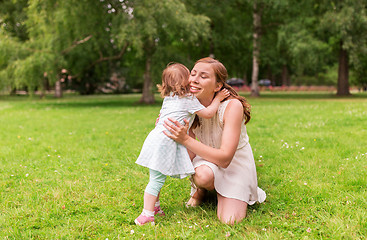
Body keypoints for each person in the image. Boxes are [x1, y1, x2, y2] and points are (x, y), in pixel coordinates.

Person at [163, 57, 266, 225]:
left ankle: (225, 191)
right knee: (203, 176)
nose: (194, 79)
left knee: (230, 220)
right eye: (193, 73)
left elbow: (225, 159)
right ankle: (200, 190)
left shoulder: (232, 106)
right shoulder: (187, 106)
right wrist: (167, 133)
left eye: (203, 76)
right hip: (206, 162)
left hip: (234, 165)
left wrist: (185, 139)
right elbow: (189, 155)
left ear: (218, 86)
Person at [134, 63, 229, 225]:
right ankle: (146, 214)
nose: (193, 79)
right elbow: (207, 113)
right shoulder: (188, 99)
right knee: (156, 180)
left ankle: (155, 207)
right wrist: (218, 99)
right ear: (183, 81)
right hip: (165, 142)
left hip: (155, 138)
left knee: (156, 177)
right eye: (190, 75)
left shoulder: (170, 98)